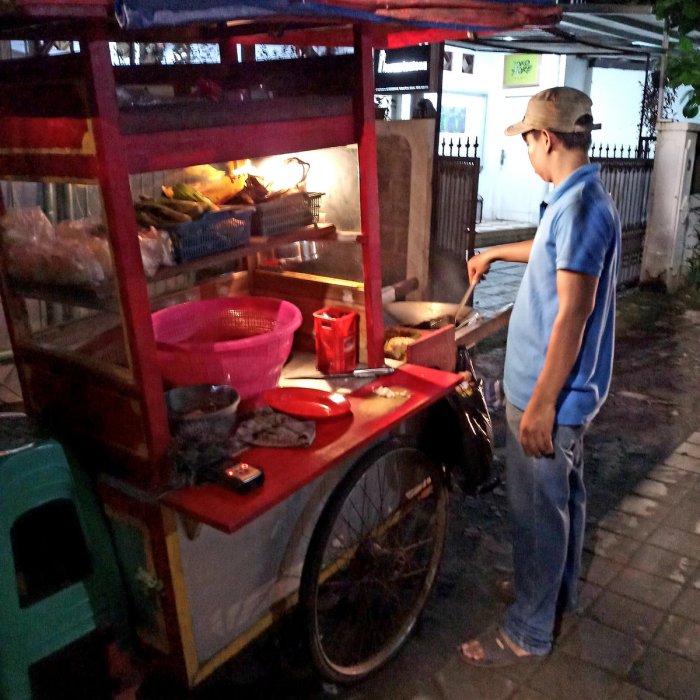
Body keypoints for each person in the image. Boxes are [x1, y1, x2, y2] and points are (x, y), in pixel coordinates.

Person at [460, 87, 621, 666]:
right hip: (567, 394)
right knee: (564, 505)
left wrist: (541, 406)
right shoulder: (579, 199)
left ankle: (527, 631)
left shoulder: (578, 208)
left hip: (549, 396)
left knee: (536, 517)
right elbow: (554, 254)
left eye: (526, 140)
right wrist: (497, 253)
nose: (526, 153)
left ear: (545, 139)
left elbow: (573, 313)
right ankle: (555, 595)